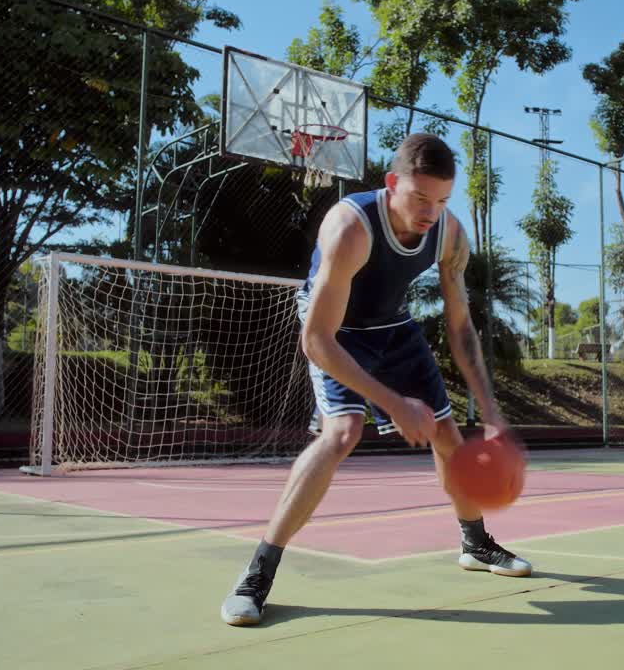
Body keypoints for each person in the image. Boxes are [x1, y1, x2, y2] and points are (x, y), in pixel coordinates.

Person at [222, 133, 532, 627]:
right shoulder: (351, 227)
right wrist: (393, 403)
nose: (431, 212)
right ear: (392, 184)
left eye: (443, 200)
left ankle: (475, 543)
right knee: (341, 433)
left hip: (394, 328)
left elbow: (460, 327)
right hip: (338, 331)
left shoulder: (449, 234)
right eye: (421, 198)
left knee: (449, 437)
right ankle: (257, 575)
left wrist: (490, 410)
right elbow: (317, 341)